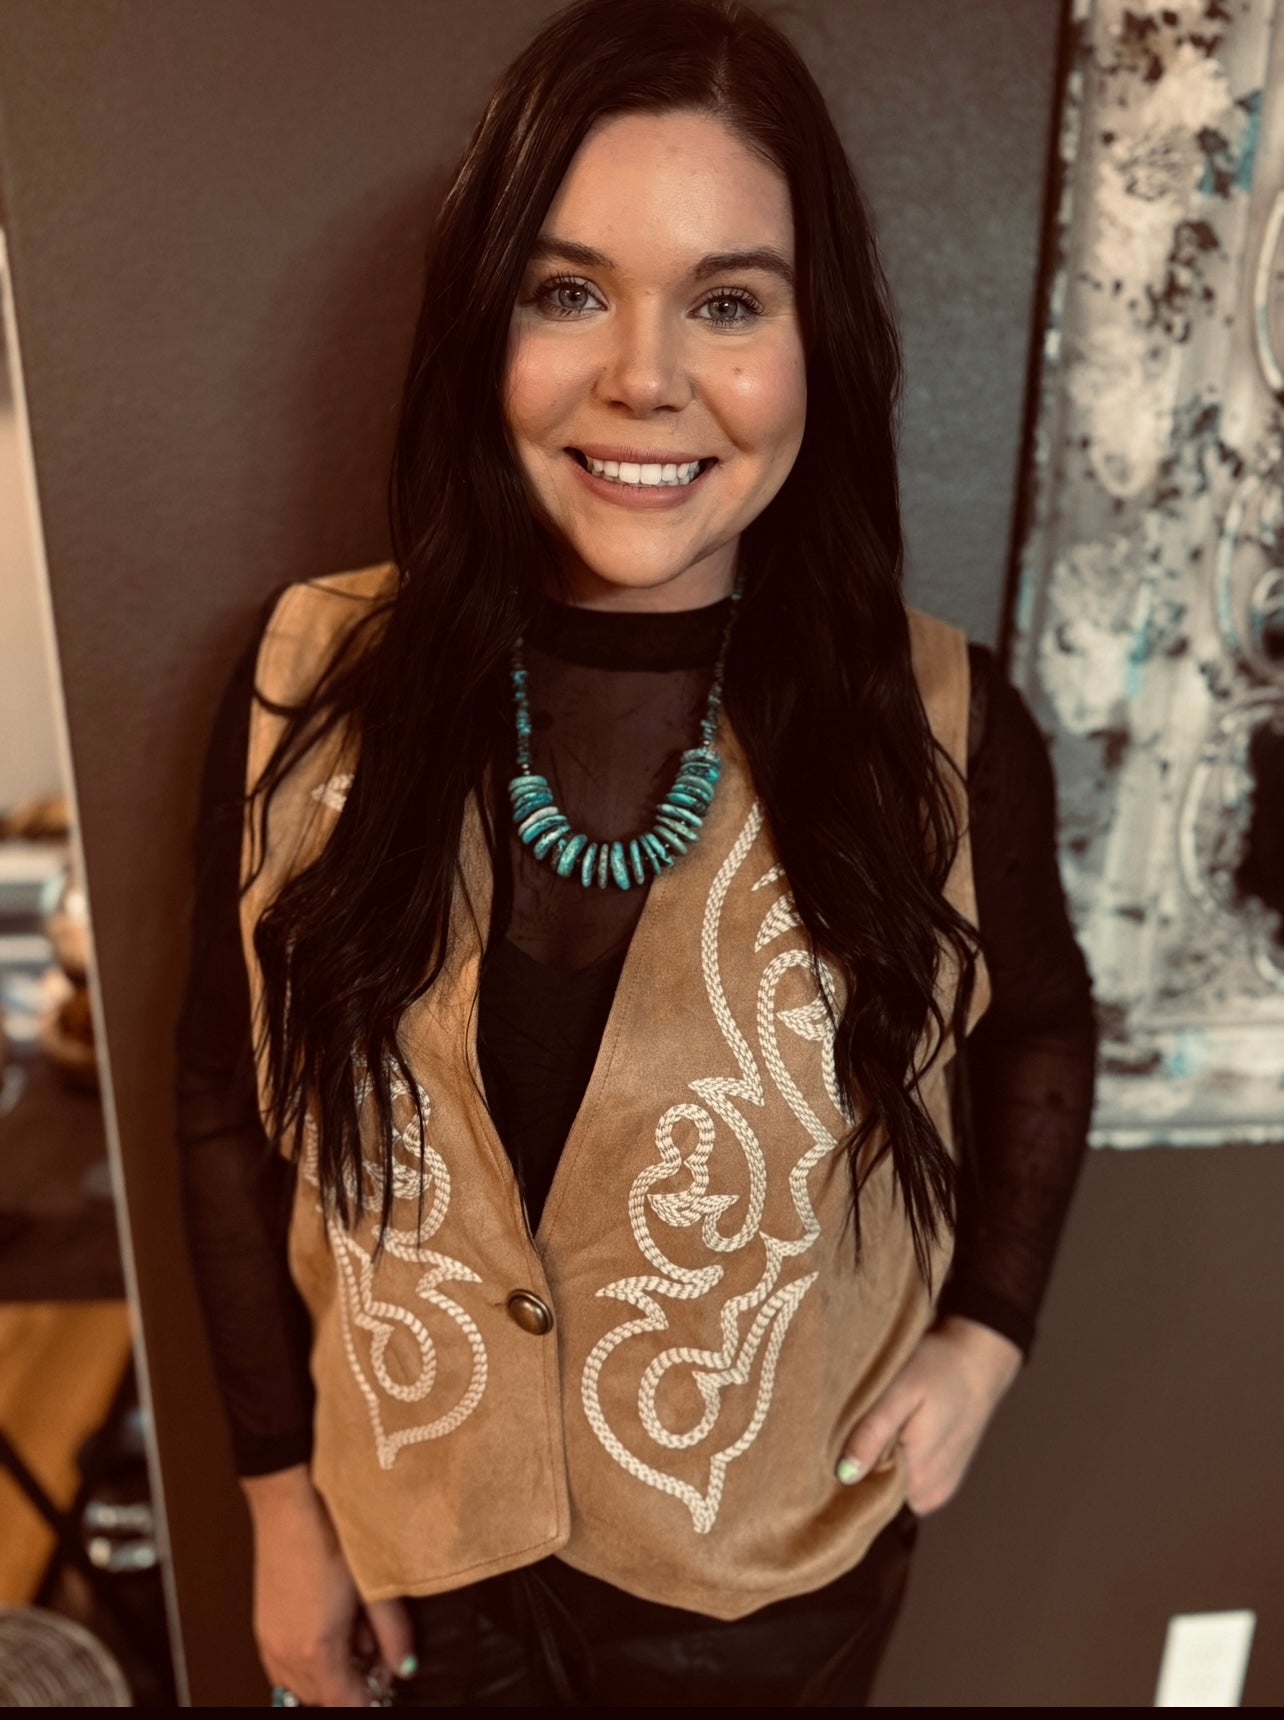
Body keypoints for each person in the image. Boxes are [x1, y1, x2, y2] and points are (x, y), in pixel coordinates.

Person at [176, 0, 1098, 1706]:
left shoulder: (944, 730)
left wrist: (989, 1332)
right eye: (569, 290)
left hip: (772, 1593)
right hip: (414, 1564)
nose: (645, 377)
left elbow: (1038, 1021)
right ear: (487, 323)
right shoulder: (308, 684)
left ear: (818, 342)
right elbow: (228, 1103)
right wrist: (279, 1502)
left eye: (728, 301)